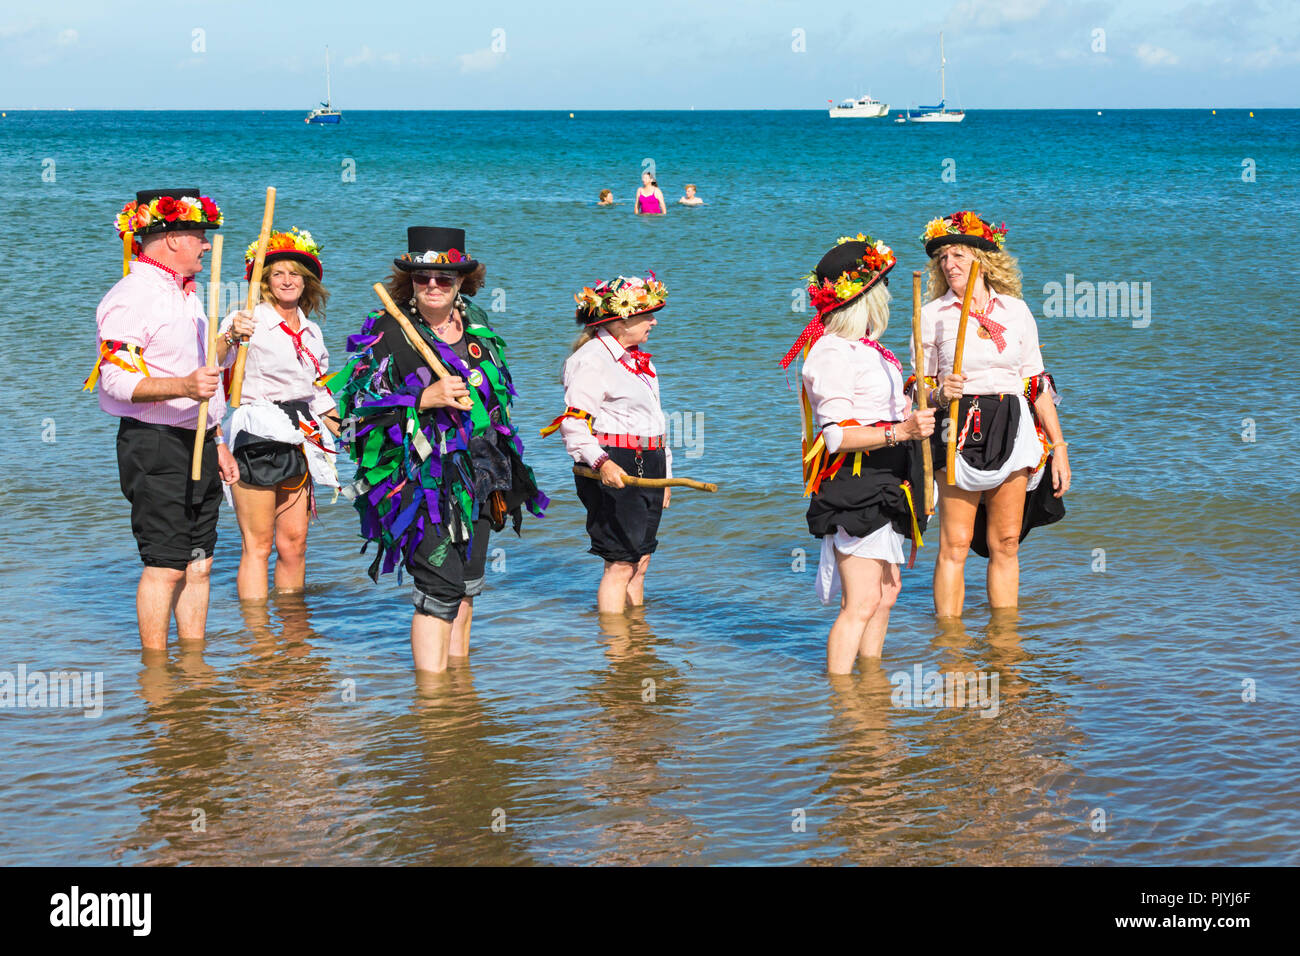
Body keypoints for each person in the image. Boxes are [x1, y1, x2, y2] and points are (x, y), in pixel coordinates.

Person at [332, 227, 548, 672]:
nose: (433, 285)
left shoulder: (478, 327)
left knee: (468, 586)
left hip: (481, 472)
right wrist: (420, 400)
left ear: (461, 283)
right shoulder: (390, 332)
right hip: (417, 477)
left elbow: (497, 399)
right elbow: (351, 412)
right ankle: (432, 707)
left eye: (444, 278)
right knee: (440, 587)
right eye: (422, 277)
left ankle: (459, 692)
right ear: (408, 282)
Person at [86, 188, 248, 650]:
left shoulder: (185, 295)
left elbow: (201, 370)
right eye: (199, 235)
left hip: (198, 436)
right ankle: (156, 677)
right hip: (153, 442)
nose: (207, 245)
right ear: (172, 238)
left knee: (199, 562)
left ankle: (193, 669)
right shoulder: (131, 296)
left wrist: (228, 341)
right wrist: (183, 386)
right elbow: (115, 381)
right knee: (165, 563)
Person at [781, 233, 934, 673]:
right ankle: (843, 701)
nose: (888, 294)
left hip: (891, 475)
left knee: (887, 592)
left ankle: (870, 684)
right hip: (856, 479)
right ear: (864, 297)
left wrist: (931, 400)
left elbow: (894, 412)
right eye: (882, 286)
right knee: (861, 600)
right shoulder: (830, 353)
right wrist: (901, 431)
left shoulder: (872, 351)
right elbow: (837, 437)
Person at [914, 210, 1070, 618]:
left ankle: (1004, 643)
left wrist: (1059, 447)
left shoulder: (1016, 311)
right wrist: (936, 392)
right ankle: (950, 645)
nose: (949, 265)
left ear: (983, 260)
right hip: (956, 427)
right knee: (956, 543)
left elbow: (1035, 384)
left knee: (1006, 542)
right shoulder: (931, 316)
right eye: (943, 258)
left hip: (1012, 422)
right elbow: (915, 387)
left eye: (958, 255)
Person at [220, 227, 340, 602]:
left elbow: (319, 393)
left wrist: (350, 431)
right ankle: (257, 638)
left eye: (295, 274)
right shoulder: (247, 319)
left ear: (307, 283)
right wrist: (230, 336)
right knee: (258, 545)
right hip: (258, 434)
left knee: (295, 544)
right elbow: (216, 359)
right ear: (267, 281)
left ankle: (293, 631)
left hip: (303, 435)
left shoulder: (312, 331)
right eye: (278, 273)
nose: (288, 280)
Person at [541, 273, 672, 614]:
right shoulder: (591, 359)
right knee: (620, 563)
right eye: (648, 314)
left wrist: (666, 472)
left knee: (641, 559)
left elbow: (654, 419)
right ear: (621, 319)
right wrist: (602, 463)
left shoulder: (640, 359)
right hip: (613, 460)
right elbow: (573, 424)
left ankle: (638, 640)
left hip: (649, 461)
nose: (654, 321)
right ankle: (617, 651)